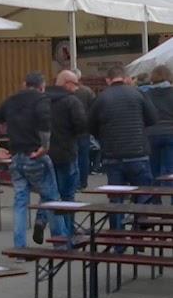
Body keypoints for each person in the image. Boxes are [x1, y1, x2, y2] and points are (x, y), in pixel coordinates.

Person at [0, 72, 63, 247]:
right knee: (52, 199)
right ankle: (60, 243)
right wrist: (45, 146)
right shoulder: (41, 99)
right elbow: (44, 120)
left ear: (24, 84)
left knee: (20, 203)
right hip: (35, 155)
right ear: (42, 86)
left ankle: (19, 247)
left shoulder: (11, 100)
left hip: (16, 158)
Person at [89, 64, 157, 229]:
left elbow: (90, 125)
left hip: (112, 155)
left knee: (116, 199)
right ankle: (139, 229)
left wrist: (103, 138)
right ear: (125, 78)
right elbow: (152, 119)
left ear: (108, 80)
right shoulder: (138, 94)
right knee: (143, 194)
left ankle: (117, 235)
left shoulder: (101, 98)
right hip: (138, 153)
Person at [47, 70, 88, 208]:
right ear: (67, 83)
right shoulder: (72, 101)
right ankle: (67, 221)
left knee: (48, 194)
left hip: (45, 153)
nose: (77, 88)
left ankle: (44, 218)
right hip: (66, 152)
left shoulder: (42, 100)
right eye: (76, 84)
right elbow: (82, 124)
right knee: (68, 194)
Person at [145, 65, 173, 185]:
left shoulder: (146, 94)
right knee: (170, 169)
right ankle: (169, 192)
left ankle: (155, 193)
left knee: (153, 168)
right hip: (170, 132)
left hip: (151, 133)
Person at [71, 70, 96, 189]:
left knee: (72, 157)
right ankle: (83, 182)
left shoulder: (67, 92)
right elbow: (94, 108)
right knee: (83, 156)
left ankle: (74, 182)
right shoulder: (87, 91)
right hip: (84, 129)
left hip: (69, 130)